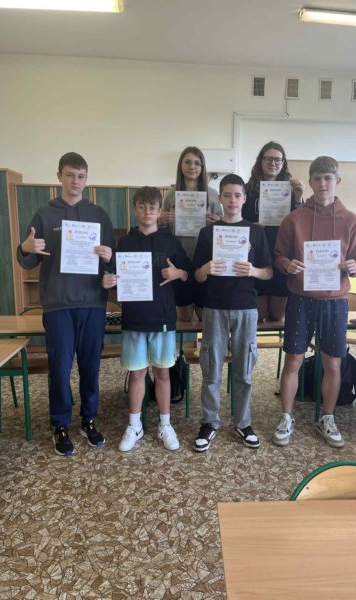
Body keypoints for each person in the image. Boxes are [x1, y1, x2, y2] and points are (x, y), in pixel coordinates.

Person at [17, 152, 115, 456]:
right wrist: (25, 247)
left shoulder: (99, 215)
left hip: (93, 304)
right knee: (59, 369)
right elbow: (28, 260)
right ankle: (60, 424)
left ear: (87, 179)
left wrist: (109, 259)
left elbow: (111, 263)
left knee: (90, 366)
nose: (75, 181)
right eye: (70, 175)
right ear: (59, 176)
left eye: (81, 176)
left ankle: (88, 419)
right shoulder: (44, 215)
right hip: (58, 304)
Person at [273, 156, 356, 448]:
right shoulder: (294, 218)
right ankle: (286, 417)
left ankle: (327, 417)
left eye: (328, 178)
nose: (323, 183)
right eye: (317, 178)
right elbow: (279, 256)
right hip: (300, 298)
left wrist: (355, 266)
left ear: (337, 181)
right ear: (310, 182)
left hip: (335, 301)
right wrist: (287, 265)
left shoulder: (350, 219)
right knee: (293, 360)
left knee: (333, 364)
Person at [103, 187, 191, 452]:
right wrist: (109, 282)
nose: (147, 211)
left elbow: (187, 274)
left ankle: (165, 424)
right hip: (134, 318)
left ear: (159, 211)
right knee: (137, 373)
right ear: (135, 209)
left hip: (163, 317)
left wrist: (179, 274)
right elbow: (115, 280)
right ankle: (135, 425)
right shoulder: (124, 243)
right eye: (142, 206)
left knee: (162, 372)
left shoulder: (170, 242)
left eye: (152, 207)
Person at [192, 173, 272, 452]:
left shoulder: (256, 232)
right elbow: (197, 276)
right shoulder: (208, 233)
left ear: (244, 199)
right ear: (221, 199)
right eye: (227, 195)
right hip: (214, 307)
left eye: (237, 195)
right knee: (211, 369)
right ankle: (209, 422)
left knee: (244, 370)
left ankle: (243, 422)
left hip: (246, 308)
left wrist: (254, 271)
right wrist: (205, 269)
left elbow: (269, 272)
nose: (232, 200)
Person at [243, 141, 305, 323]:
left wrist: (299, 197)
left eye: (278, 160)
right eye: (268, 159)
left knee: (278, 316)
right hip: (257, 256)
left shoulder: (291, 190)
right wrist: (251, 227)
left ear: (283, 163)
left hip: (282, 255)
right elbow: (237, 221)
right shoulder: (247, 190)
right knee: (259, 315)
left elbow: (301, 222)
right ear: (260, 161)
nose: (273, 163)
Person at [160, 146, 222, 321]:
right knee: (183, 315)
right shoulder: (171, 194)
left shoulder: (213, 195)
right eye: (187, 162)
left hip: (204, 260)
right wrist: (161, 221)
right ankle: (184, 341)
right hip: (179, 260)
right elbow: (162, 229)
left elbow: (222, 229)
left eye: (197, 163)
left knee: (205, 315)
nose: (192, 166)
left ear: (202, 167)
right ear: (180, 165)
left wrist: (218, 223)